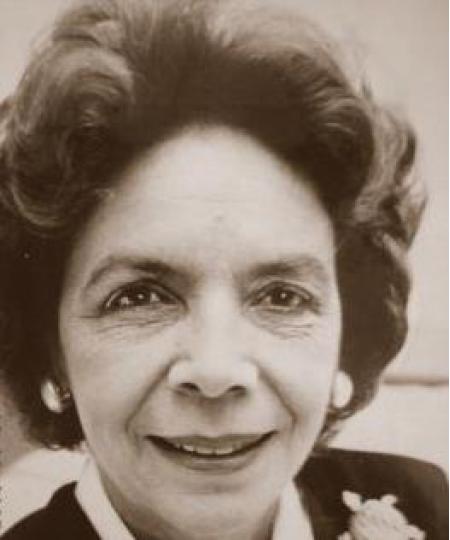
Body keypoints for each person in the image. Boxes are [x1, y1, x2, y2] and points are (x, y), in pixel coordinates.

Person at [0, 0, 446, 539]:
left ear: (345, 335)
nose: (216, 372)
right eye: (139, 296)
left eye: (283, 296)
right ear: (51, 348)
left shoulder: (426, 506)